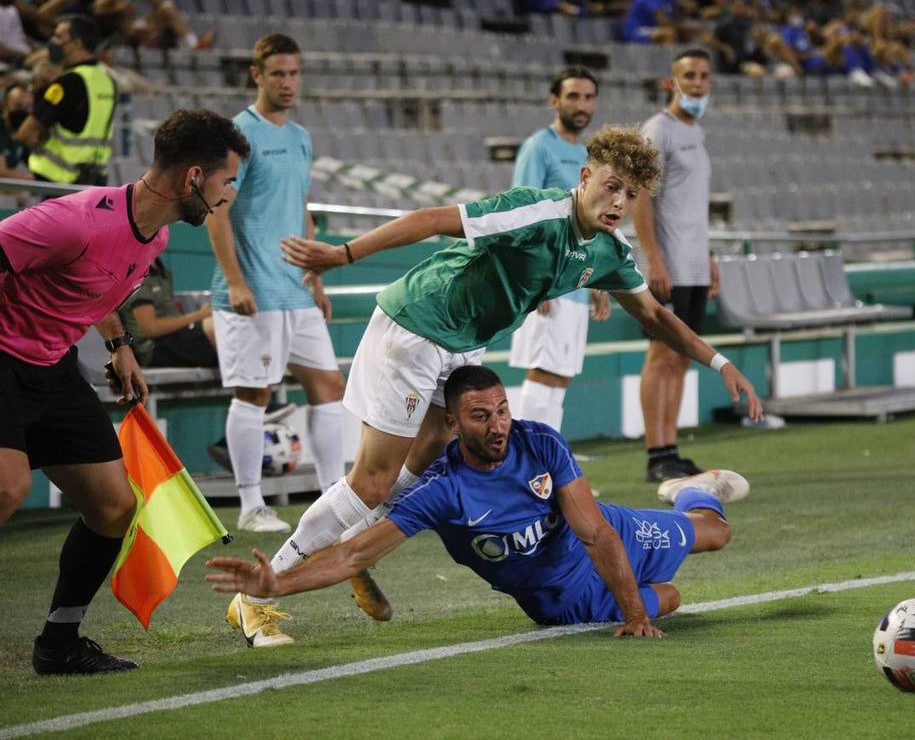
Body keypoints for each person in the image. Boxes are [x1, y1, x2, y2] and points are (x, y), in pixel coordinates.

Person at [221, 124, 764, 648]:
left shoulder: (608, 249)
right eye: (611, 185)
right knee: (372, 482)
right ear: (585, 175)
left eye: (631, 192)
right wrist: (342, 255)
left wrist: (718, 362)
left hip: (463, 343)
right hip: (417, 323)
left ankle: (353, 545)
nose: (619, 200)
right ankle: (260, 593)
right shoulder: (538, 210)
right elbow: (434, 218)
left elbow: (655, 317)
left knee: (425, 459)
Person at [206, 366, 743, 638]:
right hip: (560, 597)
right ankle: (686, 507)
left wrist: (632, 615)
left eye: (502, 410)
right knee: (668, 597)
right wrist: (280, 582)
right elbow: (353, 555)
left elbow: (597, 533)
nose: (498, 425)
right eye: (481, 416)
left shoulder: (540, 442)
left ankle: (695, 489)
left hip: (604, 533)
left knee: (715, 535)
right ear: (453, 424)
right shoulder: (442, 491)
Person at [0, 107, 250, 675]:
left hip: (54, 370)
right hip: (2, 361)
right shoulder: (75, 220)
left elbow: (102, 284)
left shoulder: (154, 233)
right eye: (225, 180)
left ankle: (58, 645)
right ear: (193, 178)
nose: (227, 193)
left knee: (114, 506)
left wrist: (119, 345)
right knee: (6, 489)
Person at [205, 33, 349, 535]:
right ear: (257, 74)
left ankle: (335, 501)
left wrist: (316, 276)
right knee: (254, 393)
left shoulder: (302, 136)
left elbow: (302, 207)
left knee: (329, 387)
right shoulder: (237, 135)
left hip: (295, 288)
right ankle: (251, 504)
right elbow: (215, 213)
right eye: (279, 74)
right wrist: (234, 281)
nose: (288, 83)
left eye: (294, 73)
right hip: (252, 292)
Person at [508, 65, 611, 433]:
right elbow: (521, 215)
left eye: (588, 97)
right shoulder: (538, 148)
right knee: (544, 372)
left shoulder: (590, 155)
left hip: (575, 280)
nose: (582, 104)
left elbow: (589, 222)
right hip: (547, 281)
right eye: (572, 96)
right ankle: (526, 463)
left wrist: (596, 282)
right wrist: (536, 280)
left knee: (562, 375)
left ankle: (546, 464)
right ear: (555, 101)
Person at [634, 49, 719, 484]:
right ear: (673, 80)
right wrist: (653, 258)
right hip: (667, 266)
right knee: (661, 355)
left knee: (683, 358)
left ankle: (671, 448)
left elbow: (692, 208)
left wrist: (708, 258)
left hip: (693, 267)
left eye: (705, 75)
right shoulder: (658, 130)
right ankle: (656, 452)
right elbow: (641, 196)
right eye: (690, 75)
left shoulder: (696, 133)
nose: (698, 82)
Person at [14, 13, 115, 185]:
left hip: (59, 183)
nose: (52, 41)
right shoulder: (107, 80)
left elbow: (26, 133)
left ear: (77, 43)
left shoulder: (67, 83)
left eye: (59, 36)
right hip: (94, 183)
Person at [117, 257, 216, 368]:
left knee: (224, 322)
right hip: (155, 348)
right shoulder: (136, 273)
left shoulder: (163, 271)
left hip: (178, 336)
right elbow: (151, 328)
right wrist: (200, 315)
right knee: (215, 327)